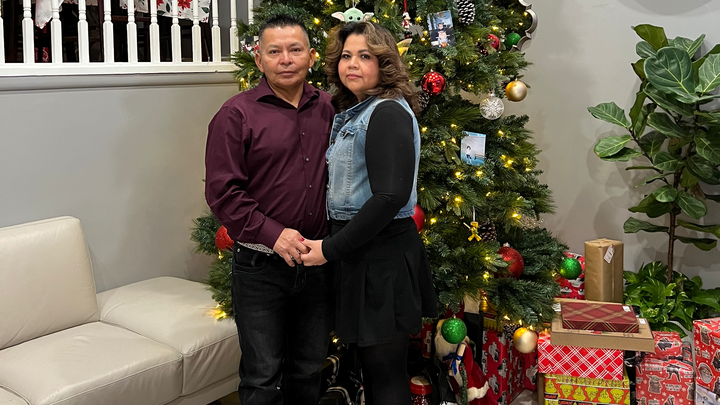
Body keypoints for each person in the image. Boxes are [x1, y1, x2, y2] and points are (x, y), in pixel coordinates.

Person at [300, 22, 438, 405]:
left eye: (365, 56)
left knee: (385, 373)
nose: (352, 64)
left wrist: (330, 248)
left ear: (384, 63)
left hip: (382, 259)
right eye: (346, 56)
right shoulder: (357, 112)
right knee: (372, 370)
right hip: (362, 254)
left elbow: (390, 197)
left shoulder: (387, 112)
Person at [204, 14, 335, 405]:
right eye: (274, 51)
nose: (286, 59)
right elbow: (222, 192)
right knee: (262, 377)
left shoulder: (329, 108)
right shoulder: (235, 114)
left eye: (295, 49)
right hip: (260, 268)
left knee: (308, 369)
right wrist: (273, 235)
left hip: (317, 263)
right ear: (259, 59)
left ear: (311, 56)